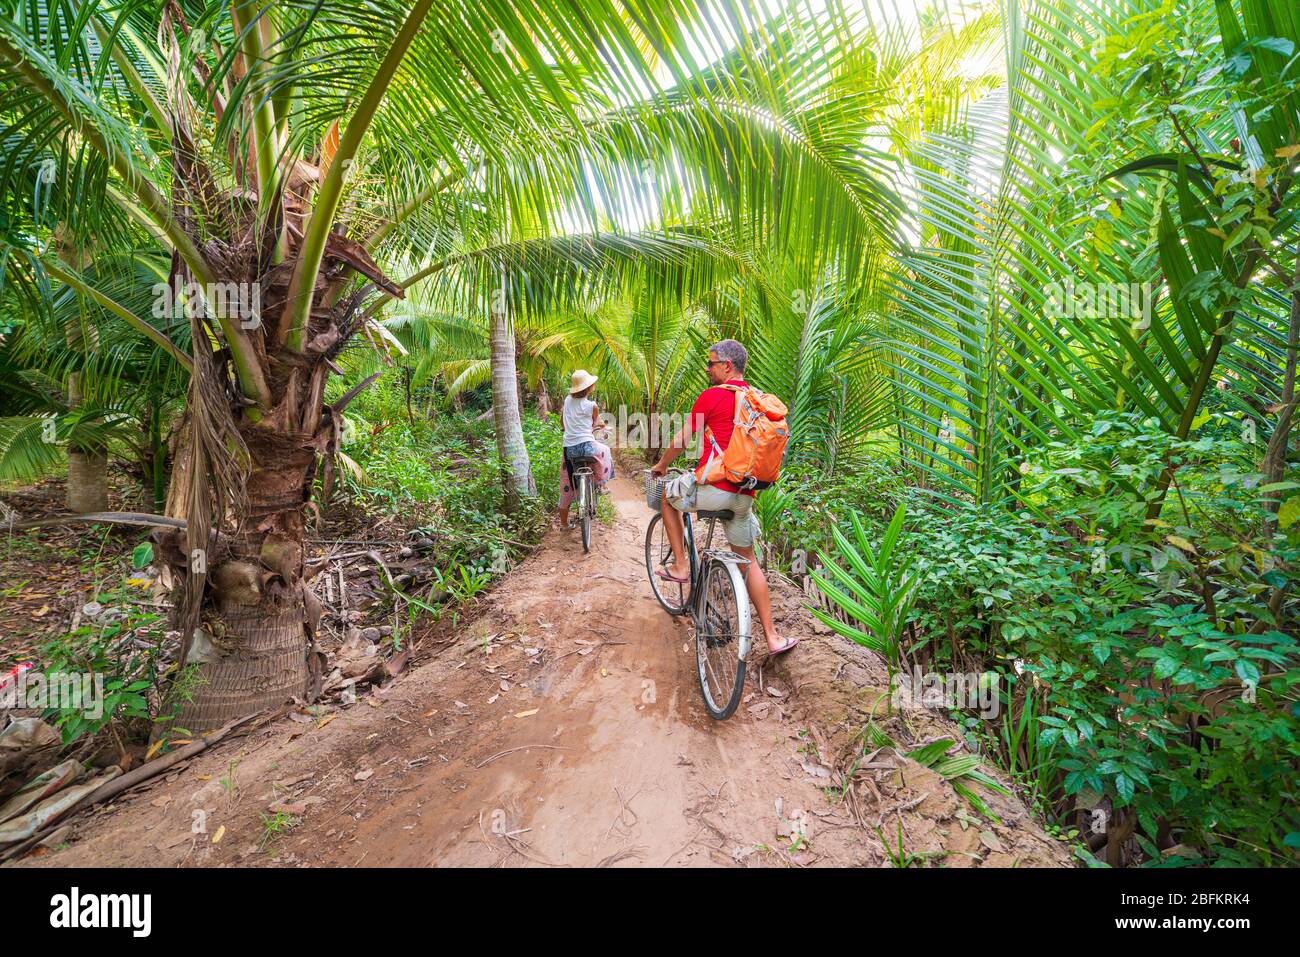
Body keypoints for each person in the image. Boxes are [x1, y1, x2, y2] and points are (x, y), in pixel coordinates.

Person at [650, 339, 797, 655]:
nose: (707, 368)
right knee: (749, 561)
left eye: (711, 363)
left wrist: (663, 465)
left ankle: (679, 566)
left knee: (665, 495)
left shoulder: (712, 396)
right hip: (745, 496)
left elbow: (682, 438)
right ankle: (772, 637)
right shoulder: (757, 400)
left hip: (715, 491)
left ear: (727, 366)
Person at [558, 369, 614, 529]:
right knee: (605, 451)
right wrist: (602, 426)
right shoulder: (592, 405)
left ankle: (563, 524)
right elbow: (598, 422)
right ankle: (602, 484)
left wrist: (569, 428)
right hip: (587, 446)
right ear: (589, 387)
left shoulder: (567, 401)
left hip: (569, 449)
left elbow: (563, 422)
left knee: (566, 484)